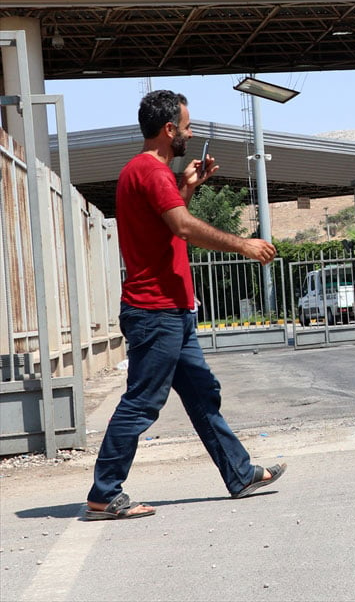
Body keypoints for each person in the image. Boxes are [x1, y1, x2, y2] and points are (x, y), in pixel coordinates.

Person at [85, 90, 285, 520]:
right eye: (188, 127)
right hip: (156, 313)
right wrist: (244, 245)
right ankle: (104, 492)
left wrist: (189, 186)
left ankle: (240, 472)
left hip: (168, 311)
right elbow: (183, 228)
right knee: (141, 402)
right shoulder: (152, 173)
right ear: (169, 129)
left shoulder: (142, 173)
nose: (191, 135)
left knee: (202, 395)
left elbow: (168, 228)